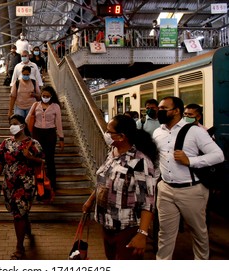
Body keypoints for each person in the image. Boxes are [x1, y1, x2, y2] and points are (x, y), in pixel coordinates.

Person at [153, 96, 224, 260]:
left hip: (191, 190)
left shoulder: (195, 131)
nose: (159, 111)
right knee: (164, 233)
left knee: (198, 232)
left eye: (164, 108)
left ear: (176, 111)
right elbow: (158, 159)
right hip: (165, 189)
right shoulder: (158, 132)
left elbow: (218, 155)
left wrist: (190, 161)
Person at [82, 114, 159, 260]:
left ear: (121, 136)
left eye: (109, 131)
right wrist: (91, 200)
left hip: (127, 227)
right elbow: (104, 180)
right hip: (107, 223)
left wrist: (142, 234)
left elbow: (148, 201)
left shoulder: (140, 162)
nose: (106, 134)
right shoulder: (112, 153)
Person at [0, 114, 44, 260]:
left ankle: (19, 248)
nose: (12, 126)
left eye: (15, 123)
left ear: (22, 126)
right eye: (10, 124)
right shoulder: (6, 143)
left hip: (26, 184)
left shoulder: (33, 143)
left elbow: (42, 161)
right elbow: (0, 161)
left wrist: (30, 157)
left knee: (18, 215)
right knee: (19, 212)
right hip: (9, 184)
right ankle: (26, 229)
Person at [26, 85, 64, 190]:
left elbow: (59, 123)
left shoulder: (56, 106)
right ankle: (37, 184)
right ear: (41, 95)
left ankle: (52, 184)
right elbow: (27, 119)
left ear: (51, 96)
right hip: (37, 133)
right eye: (43, 95)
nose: (45, 97)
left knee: (50, 159)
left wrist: (61, 138)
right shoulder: (35, 105)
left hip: (50, 134)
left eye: (47, 96)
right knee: (37, 159)